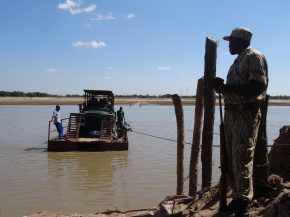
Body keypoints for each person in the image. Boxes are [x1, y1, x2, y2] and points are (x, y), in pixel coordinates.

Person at [213, 27, 268, 217]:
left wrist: (226, 88)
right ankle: (237, 197)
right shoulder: (237, 61)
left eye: (232, 41)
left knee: (242, 157)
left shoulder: (254, 56)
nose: (229, 45)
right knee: (230, 157)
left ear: (242, 42)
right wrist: (222, 88)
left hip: (245, 114)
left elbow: (257, 86)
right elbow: (233, 89)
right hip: (232, 115)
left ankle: (243, 202)